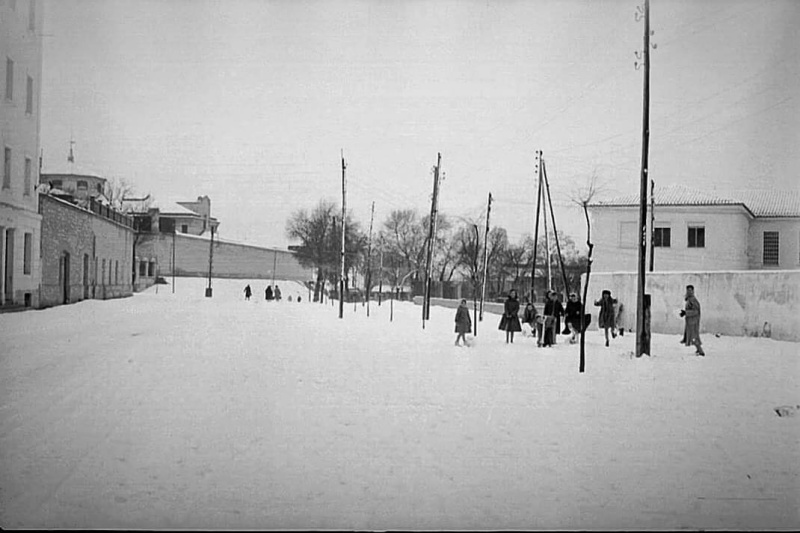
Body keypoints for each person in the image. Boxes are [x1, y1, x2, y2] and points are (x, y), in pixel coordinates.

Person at [681, 284, 705, 356]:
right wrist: (684, 313)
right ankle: (698, 349)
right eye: (688, 290)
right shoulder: (689, 299)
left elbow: (696, 311)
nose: (689, 292)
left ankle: (701, 351)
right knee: (692, 336)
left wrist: (686, 313)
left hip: (693, 321)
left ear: (693, 291)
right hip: (690, 321)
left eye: (690, 290)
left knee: (694, 336)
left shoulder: (693, 300)